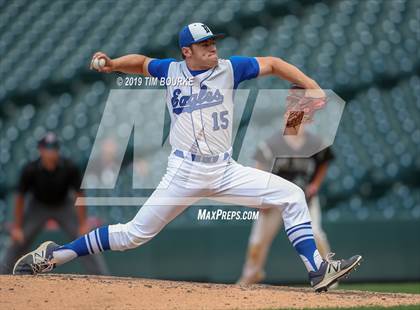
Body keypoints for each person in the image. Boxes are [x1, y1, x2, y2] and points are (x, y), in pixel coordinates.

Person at [13, 23, 361, 292]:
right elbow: (142, 64)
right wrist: (115, 63)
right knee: (132, 235)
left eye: (214, 42)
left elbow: (273, 63)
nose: (213, 47)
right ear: (186, 51)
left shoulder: (230, 68)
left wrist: (310, 82)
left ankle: (317, 269)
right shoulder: (172, 71)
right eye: (205, 44)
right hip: (184, 172)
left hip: (225, 170)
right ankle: (53, 255)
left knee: (292, 195)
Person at [238, 101, 335, 284]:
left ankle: (329, 273)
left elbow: (325, 161)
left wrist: (316, 183)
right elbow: (259, 169)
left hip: (305, 200)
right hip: (274, 201)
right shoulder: (273, 143)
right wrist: (260, 198)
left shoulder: (315, 143)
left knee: (315, 233)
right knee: (258, 241)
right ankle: (251, 276)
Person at [2, 132, 108, 275]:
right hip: (38, 206)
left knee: (84, 239)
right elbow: (20, 198)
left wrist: (83, 223)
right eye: (47, 148)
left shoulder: (69, 167)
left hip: (63, 205)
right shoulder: (30, 169)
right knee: (19, 238)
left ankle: (101, 276)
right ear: (40, 150)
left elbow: (79, 194)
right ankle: (3, 274)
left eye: (54, 148)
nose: (51, 152)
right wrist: (17, 227)